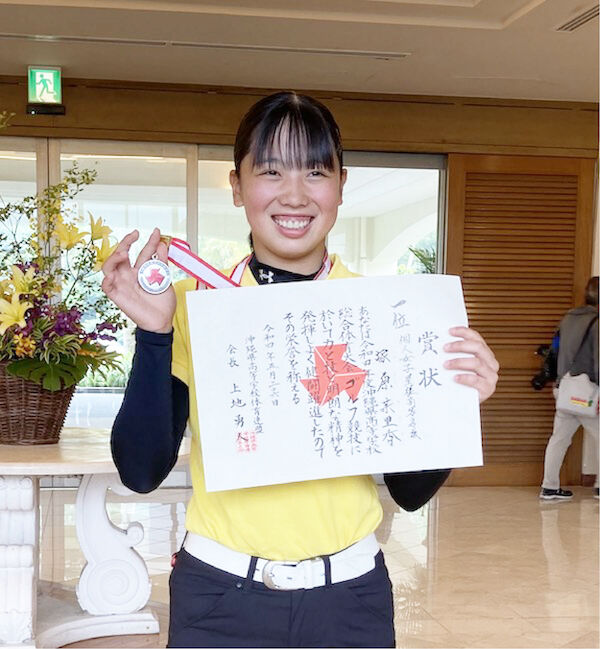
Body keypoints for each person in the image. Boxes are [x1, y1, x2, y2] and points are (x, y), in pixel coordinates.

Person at [101, 91, 499, 648]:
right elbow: (140, 470)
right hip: (217, 599)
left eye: (315, 171)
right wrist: (155, 334)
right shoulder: (193, 305)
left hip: (351, 602)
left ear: (341, 184)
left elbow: (410, 492)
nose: (294, 194)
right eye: (270, 171)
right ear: (237, 186)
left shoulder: (383, 314)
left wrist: (455, 405)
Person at [540, 276, 599, 501]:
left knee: (559, 438)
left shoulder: (567, 319)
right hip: (587, 391)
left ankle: (549, 487)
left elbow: (554, 349)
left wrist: (555, 380)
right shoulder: (597, 323)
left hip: (564, 388)